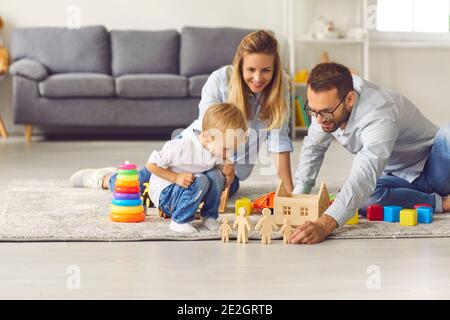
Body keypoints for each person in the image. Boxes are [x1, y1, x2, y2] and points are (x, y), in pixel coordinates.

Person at [70, 30, 294, 197]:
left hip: (230, 169)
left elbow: (279, 141)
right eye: (251, 70)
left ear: (275, 69)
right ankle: (106, 178)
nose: (258, 78)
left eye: (266, 70)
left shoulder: (281, 86)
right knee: (134, 188)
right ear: (239, 66)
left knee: (200, 195)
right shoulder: (220, 80)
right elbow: (210, 130)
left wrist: (289, 193)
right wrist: (222, 160)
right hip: (192, 151)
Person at [290, 62, 450, 244]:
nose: (318, 120)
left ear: (349, 99)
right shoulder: (326, 105)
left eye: (325, 112)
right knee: (362, 198)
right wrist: (299, 196)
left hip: (436, 167)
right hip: (399, 177)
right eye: (313, 111)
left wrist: (325, 224)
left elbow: (363, 176)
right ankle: (441, 203)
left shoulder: (379, 113)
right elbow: (314, 146)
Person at [148, 102, 247, 233]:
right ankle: (179, 221)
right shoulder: (183, 146)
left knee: (216, 175)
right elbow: (150, 165)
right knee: (201, 179)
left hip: (188, 193)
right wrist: (176, 177)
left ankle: (209, 216)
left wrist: (229, 175)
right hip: (166, 197)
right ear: (206, 137)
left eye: (231, 150)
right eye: (224, 148)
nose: (226, 154)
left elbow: (222, 186)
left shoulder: (215, 148)